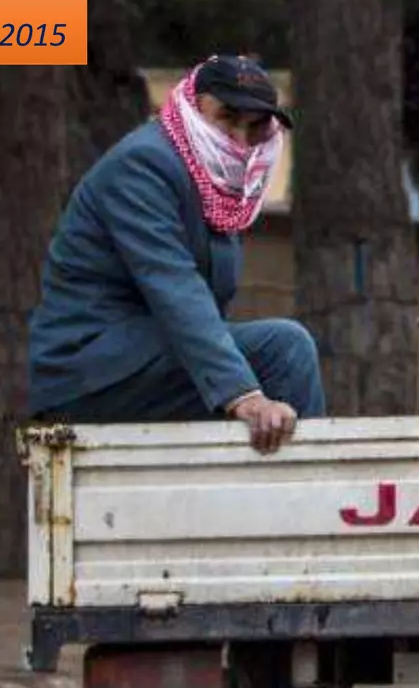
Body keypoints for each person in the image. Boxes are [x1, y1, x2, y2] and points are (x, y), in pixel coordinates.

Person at [28, 55, 324, 454]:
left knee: (277, 362)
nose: (240, 141)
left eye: (255, 127)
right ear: (195, 106)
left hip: (145, 359)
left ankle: (265, 504)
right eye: (228, 119)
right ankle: (308, 505)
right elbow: (174, 286)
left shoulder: (214, 183)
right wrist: (244, 395)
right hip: (91, 371)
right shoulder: (144, 164)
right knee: (284, 350)